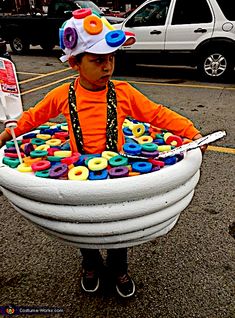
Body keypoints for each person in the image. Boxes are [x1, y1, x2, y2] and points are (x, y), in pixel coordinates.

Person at [0, 8, 206, 298]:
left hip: (116, 170)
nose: (107, 67)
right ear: (75, 63)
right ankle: (91, 264)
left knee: (118, 222)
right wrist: (5, 136)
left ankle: (119, 267)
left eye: (111, 58)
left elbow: (156, 114)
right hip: (79, 172)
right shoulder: (63, 94)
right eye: (98, 61)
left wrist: (191, 132)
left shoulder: (123, 92)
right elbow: (32, 118)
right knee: (85, 223)